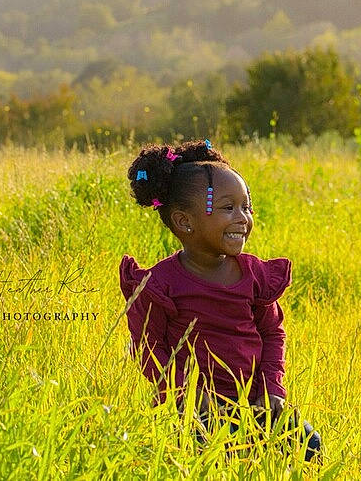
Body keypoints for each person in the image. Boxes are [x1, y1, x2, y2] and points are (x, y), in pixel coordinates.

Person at [119, 139, 322, 463]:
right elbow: (147, 347)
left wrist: (272, 389)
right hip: (191, 411)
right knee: (209, 459)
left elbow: (272, 333)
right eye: (228, 208)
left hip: (254, 403)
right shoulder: (160, 285)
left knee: (309, 445)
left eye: (247, 206)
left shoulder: (255, 276)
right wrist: (188, 396)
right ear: (185, 222)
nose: (243, 218)